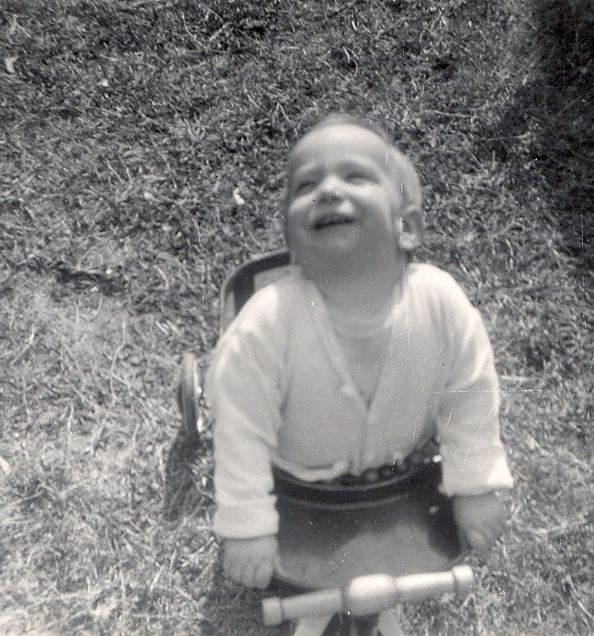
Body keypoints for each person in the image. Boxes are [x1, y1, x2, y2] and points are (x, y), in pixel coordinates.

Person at [206, 115, 514, 589]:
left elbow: (468, 395)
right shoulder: (268, 324)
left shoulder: (439, 302)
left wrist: (475, 483)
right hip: (297, 486)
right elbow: (241, 430)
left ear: (405, 226)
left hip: (404, 479)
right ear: (290, 238)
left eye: (355, 176)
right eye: (306, 185)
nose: (328, 190)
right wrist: (247, 526)